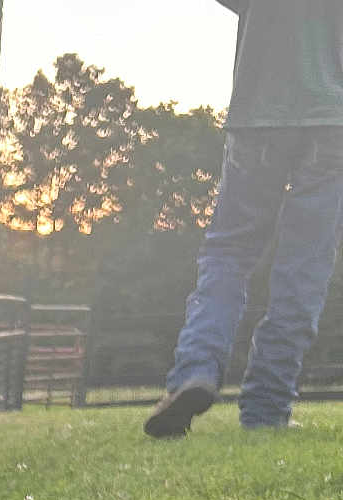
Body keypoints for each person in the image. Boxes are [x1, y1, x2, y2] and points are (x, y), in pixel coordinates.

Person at [146, 0, 343, 438]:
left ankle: (195, 370)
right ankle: (267, 407)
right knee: (304, 267)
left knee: (228, 253)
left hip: (258, 116)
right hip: (330, 122)